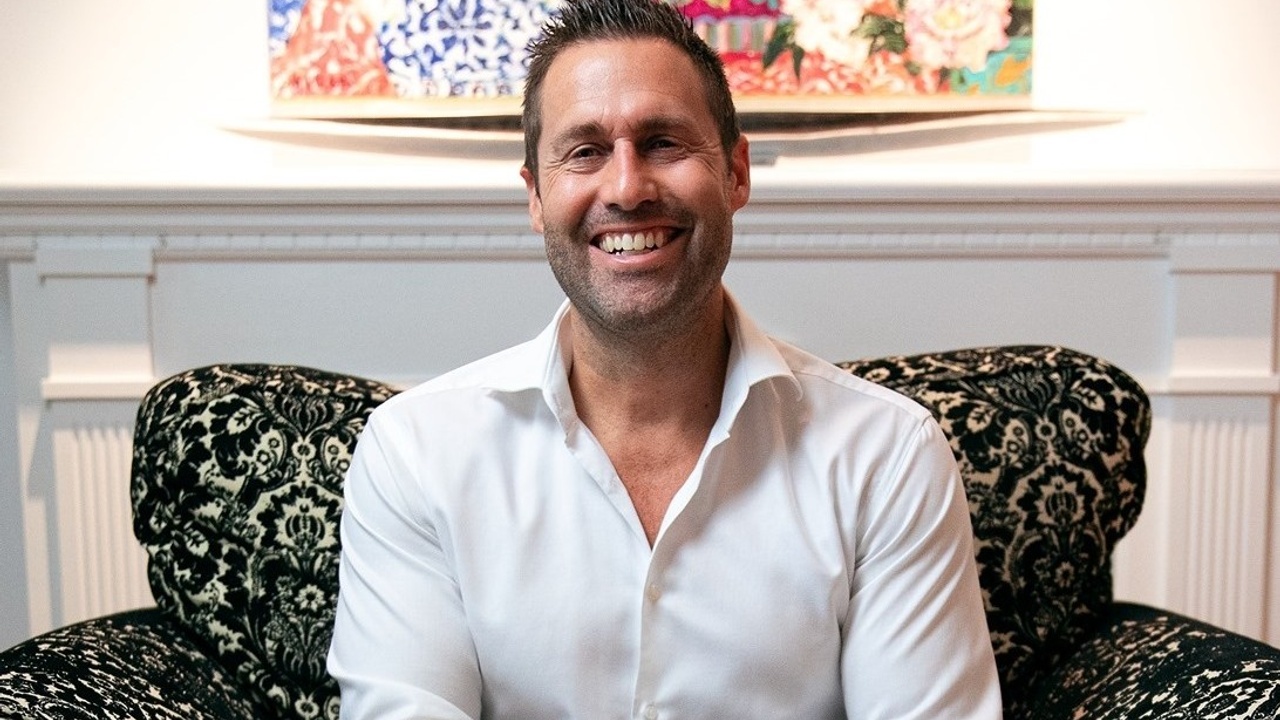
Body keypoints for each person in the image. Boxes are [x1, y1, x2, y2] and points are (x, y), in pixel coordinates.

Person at [327, 0, 1002, 717]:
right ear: (536, 197)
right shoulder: (417, 454)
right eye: (585, 151)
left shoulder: (886, 456)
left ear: (736, 173)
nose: (627, 188)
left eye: (663, 143)